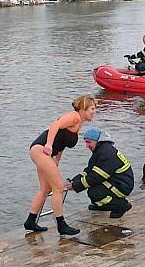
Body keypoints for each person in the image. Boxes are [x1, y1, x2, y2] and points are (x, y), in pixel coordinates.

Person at [25, 96, 97, 236]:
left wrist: (56, 160)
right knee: (58, 187)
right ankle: (61, 225)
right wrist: (49, 145)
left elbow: (62, 142)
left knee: (45, 189)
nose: (94, 112)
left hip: (46, 154)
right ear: (83, 109)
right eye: (92, 109)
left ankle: (30, 221)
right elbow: (54, 126)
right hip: (41, 149)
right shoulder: (74, 117)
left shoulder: (78, 123)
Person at [65, 127, 134, 218]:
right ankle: (102, 205)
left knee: (94, 193)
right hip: (117, 181)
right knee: (93, 188)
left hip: (122, 186)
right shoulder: (101, 150)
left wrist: (75, 186)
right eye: (86, 142)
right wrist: (75, 180)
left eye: (89, 142)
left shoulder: (106, 154)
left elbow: (96, 177)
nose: (86, 145)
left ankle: (121, 205)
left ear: (98, 141)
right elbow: (90, 170)